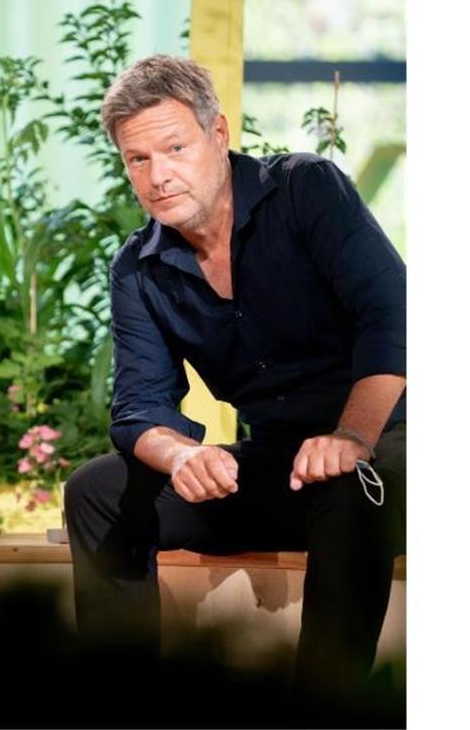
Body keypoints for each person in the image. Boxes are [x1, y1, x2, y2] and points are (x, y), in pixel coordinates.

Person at [63, 55, 405, 694]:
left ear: (217, 134)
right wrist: (182, 455)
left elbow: (394, 315)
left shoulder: (305, 190)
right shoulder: (138, 268)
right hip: (282, 463)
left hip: (390, 444)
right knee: (98, 491)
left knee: (351, 481)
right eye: (138, 159)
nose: (158, 175)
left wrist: (352, 436)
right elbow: (138, 407)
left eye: (175, 148)